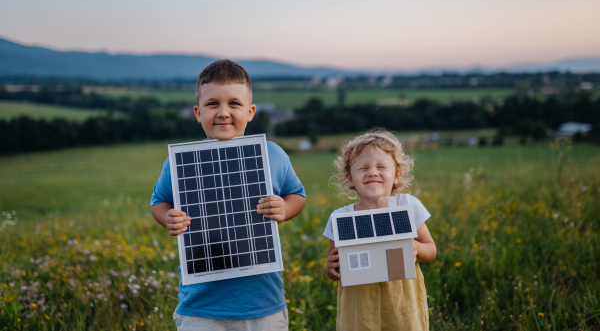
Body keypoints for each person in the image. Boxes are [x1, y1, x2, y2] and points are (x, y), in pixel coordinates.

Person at [150, 60, 306, 331]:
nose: (223, 112)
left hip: (264, 304)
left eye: (234, 103)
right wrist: (168, 218)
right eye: (213, 104)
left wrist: (284, 208)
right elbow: (159, 202)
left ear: (250, 111)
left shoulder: (273, 155)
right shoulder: (180, 162)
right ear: (198, 113)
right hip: (202, 308)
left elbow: (297, 195)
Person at [323, 128, 436, 331]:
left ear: (396, 175)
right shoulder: (341, 218)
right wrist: (330, 268)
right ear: (350, 178)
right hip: (360, 304)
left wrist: (416, 248)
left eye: (381, 166)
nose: (373, 172)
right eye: (363, 168)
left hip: (401, 303)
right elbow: (334, 269)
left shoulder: (406, 205)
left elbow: (431, 250)